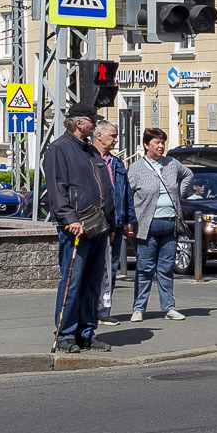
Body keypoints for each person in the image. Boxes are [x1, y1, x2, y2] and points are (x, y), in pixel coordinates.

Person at [42, 104, 114, 354]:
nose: (95, 125)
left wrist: (111, 222)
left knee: (92, 282)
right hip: (77, 227)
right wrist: (68, 218)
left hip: (98, 225)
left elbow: (105, 186)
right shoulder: (59, 149)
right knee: (72, 281)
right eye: (92, 121)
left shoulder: (89, 150)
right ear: (79, 122)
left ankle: (86, 332)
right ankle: (65, 334)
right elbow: (57, 188)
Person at [127, 128, 192, 322]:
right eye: (156, 143)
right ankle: (138, 308)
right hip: (146, 226)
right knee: (145, 268)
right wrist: (128, 222)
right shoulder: (136, 168)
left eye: (163, 142)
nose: (161, 146)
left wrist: (179, 195)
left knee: (165, 268)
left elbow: (188, 174)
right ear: (146, 145)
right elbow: (127, 196)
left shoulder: (172, 164)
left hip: (170, 225)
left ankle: (168, 307)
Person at [93, 120, 137, 327]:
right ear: (99, 136)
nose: (116, 139)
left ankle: (104, 311)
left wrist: (128, 221)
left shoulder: (117, 164)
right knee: (94, 268)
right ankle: (90, 311)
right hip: (96, 223)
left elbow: (125, 193)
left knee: (111, 268)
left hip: (116, 222)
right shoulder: (89, 159)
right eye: (112, 135)